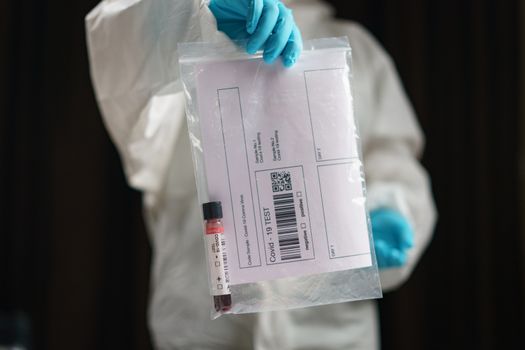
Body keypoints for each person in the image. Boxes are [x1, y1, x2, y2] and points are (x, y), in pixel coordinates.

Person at [85, 0, 437, 348]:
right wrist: (198, 16)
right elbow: (119, 52)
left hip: (330, 333)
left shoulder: (359, 51)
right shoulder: (179, 17)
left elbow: (393, 158)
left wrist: (392, 206)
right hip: (201, 329)